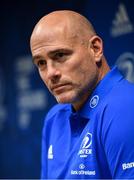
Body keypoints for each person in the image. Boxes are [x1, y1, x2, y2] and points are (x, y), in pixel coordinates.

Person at [30, 10, 134, 179]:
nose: (50, 73)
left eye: (60, 55)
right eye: (41, 63)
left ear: (95, 49)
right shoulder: (53, 118)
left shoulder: (125, 107)